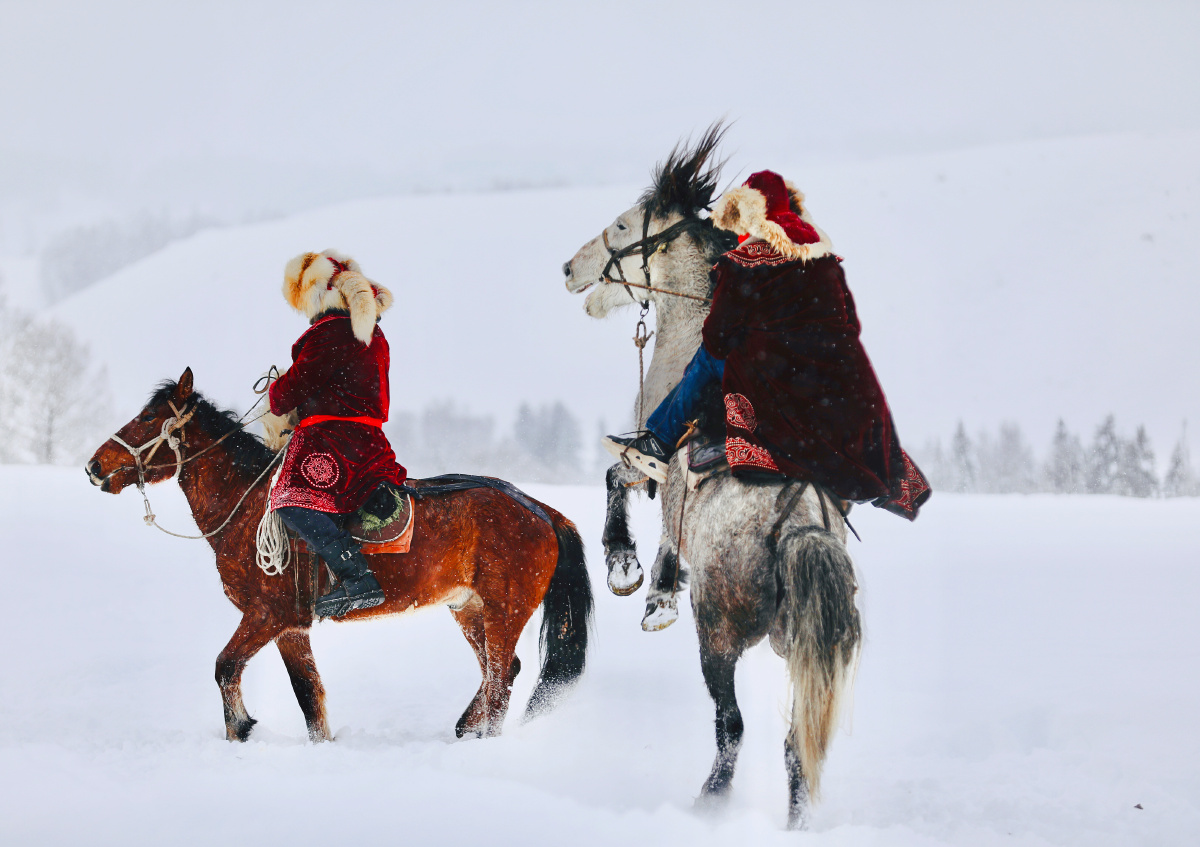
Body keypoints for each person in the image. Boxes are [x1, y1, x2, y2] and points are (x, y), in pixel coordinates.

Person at [604, 170, 930, 521]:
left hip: (772, 385)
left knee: (706, 360)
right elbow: (850, 323)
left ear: (751, 215)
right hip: (832, 388)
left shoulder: (742, 263)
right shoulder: (826, 262)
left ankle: (658, 441)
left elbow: (717, 338)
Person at [266, 249, 407, 618]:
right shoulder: (373, 333)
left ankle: (356, 578)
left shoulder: (327, 333)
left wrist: (277, 389)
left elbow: (285, 397)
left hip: (331, 440)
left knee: (289, 500)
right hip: (369, 441)